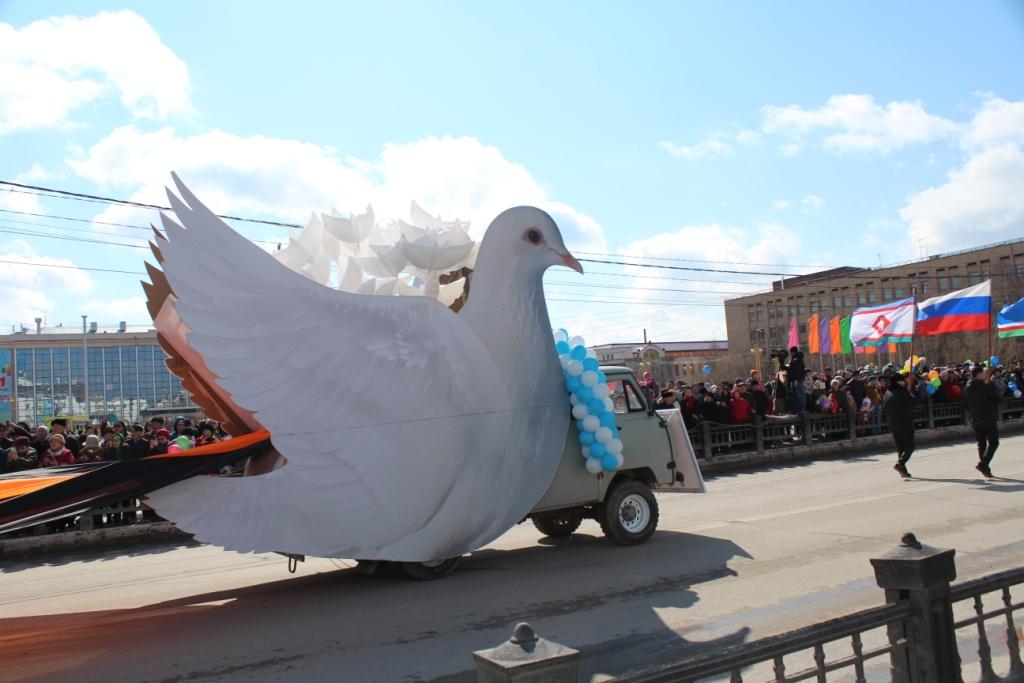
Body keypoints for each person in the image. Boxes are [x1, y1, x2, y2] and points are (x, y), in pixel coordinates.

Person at [963, 365, 1001, 477]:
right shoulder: (985, 387)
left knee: (982, 444)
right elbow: (999, 399)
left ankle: (985, 468)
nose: (986, 375)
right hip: (987, 418)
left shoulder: (967, 387)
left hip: (974, 418)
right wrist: (991, 386)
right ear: (979, 374)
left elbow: (965, 405)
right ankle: (983, 464)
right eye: (984, 373)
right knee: (994, 442)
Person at [884, 372, 917, 478]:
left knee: (901, 448)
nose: (903, 382)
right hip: (905, 423)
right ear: (898, 381)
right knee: (910, 446)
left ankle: (903, 470)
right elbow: (913, 403)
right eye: (902, 380)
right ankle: (900, 464)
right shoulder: (902, 391)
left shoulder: (887, 393)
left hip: (893, 424)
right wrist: (911, 393)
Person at [786, 346, 807, 413]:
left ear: (792, 352)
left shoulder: (797, 359)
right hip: (797, 379)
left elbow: (797, 370)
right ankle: (799, 409)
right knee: (797, 395)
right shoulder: (797, 358)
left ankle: (802, 409)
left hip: (797, 380)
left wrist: (796, 379)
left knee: (800, 395)